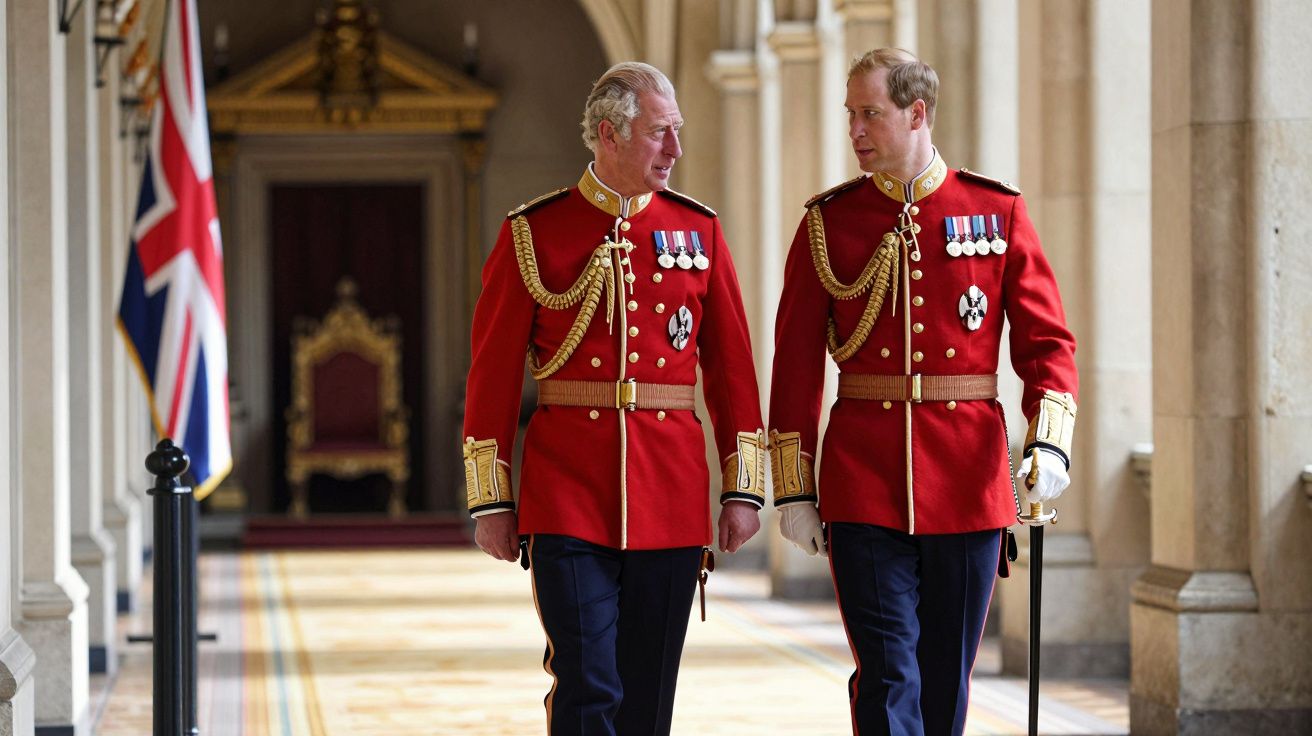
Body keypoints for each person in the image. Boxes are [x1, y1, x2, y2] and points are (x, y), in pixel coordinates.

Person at [767, 48, 1078, 736]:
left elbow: (1048, 345)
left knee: (945, 681)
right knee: (885, 675)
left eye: (869, 114)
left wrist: (1050, 445)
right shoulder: (828, 223)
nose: (855, 130)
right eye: (850, 115)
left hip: (968, 481)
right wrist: (793, 487)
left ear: (917, 113)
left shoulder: (995, 213)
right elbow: (794, 365)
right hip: (862, 484)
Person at [462, 61, 766, 736]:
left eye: (678, 133)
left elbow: (732, 371)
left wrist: (743, 489)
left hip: (671, 494)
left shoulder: (700, 232)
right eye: (661, 134)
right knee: (587, 680)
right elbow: (492, 375)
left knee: (648, 694)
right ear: (609, 135)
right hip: (566, 494)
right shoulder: (534, 233)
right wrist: (492, 499)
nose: (675, 151)